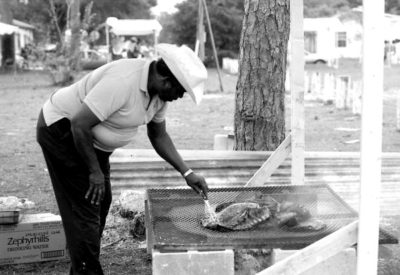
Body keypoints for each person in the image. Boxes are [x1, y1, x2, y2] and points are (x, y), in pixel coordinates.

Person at [36, 43, 209, 274]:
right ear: (165, 79)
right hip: (63, 131)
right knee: (87, 206)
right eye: (181, 90)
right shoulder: (122, 81)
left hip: (91, 142)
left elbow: (159, 135)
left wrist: (187, 173)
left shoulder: (159, 97)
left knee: (101, 201)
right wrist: (94, 171)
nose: (180, 96)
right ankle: (87, 269)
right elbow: (79, 124)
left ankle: (83, 263)